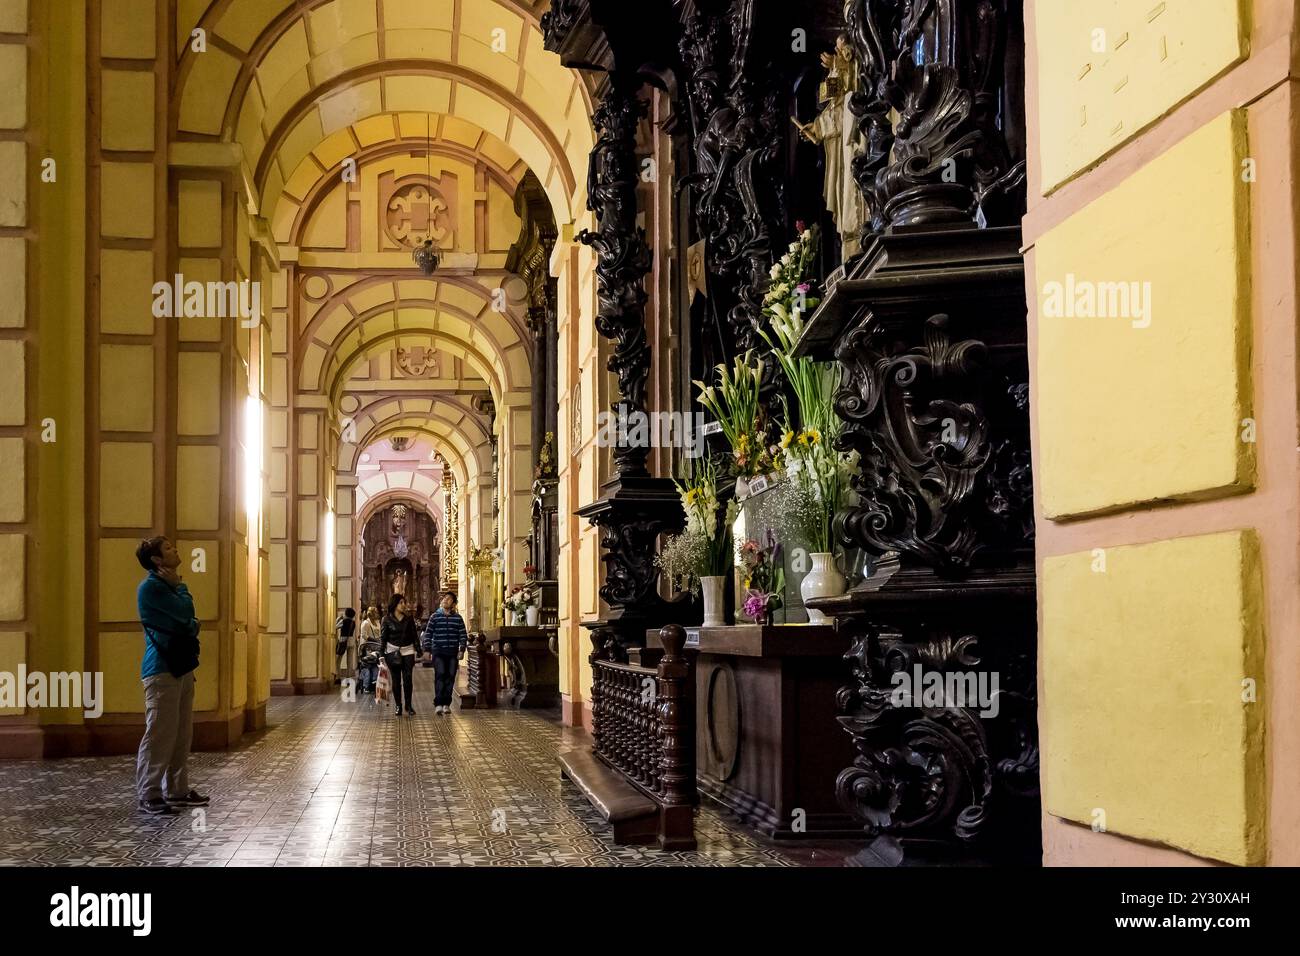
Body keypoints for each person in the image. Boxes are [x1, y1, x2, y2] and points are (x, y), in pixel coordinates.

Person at [134, 535, 209, 815]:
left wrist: (188, 622)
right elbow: (186, 613)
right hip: (161, 669)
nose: (175, 549)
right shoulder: (151, 588)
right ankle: (149, 793)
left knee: (180, 732)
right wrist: (182, 588)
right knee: (159, 734)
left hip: (182, 666)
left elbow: (186, 623)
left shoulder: (170, 586)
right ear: (156, 559)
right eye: (167, 548)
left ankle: (177, 789)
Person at [421, 591, 468, 715]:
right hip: (439, 651)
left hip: (452, 652)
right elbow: (428, 634)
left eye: (449, 599)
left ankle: (447, 703)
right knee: (440, 675)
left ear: (453, 603)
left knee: (450, 676)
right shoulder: (435, 617)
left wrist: (461, 649)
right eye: (445, 598)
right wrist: (427, 650)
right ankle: (438, 703)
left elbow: (463, 635)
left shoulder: (457, 618)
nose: (446, 600)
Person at [381, 593, 420, 716]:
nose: (404, 605)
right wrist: (381, 654)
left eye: (404, 602)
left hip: (408, 650)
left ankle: (408, 705)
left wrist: (418, 649)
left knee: (408, 678)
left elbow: (414, 635)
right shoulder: (386, 619)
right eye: (401, 603)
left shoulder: (409, 619)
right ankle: (398, 706)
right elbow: (383, 638)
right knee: (396, 680)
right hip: (392, 651)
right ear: (394, 604)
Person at [334, 607, 356, 684]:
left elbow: (335, 626)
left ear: (346, 613)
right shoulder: (353, 622)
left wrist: (338, 618)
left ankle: (338, 677)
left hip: (343, 640)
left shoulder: (344, 621)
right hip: (351, 641)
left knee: (338, 660)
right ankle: (348, 678)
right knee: (349, 661)